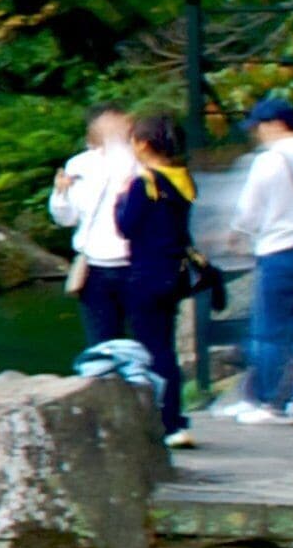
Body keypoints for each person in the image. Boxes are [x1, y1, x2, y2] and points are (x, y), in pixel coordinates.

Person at [220, 96, 293, 425]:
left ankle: (266, 400)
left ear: (275, 124)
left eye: (259, 126)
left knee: (269, 331)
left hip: (280, 248)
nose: (257, 133)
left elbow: (250, 209)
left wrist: (238, 231)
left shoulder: (271, 160)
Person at [106, 113, 201, 447]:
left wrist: (120, 200)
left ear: (143, 144)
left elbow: (127, 226)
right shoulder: (182, 178)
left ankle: (167, 421)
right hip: (173, 272)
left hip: (145, 272)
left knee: (152, 349)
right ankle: (176, 418)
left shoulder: (143, 182)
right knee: (167, 347)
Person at [50, 104, 138, 303]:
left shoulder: (141, 161)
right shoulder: (80, 164)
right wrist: (60, 193)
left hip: (137, 263)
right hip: (93, 266)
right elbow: (66, 219)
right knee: (103, 333)